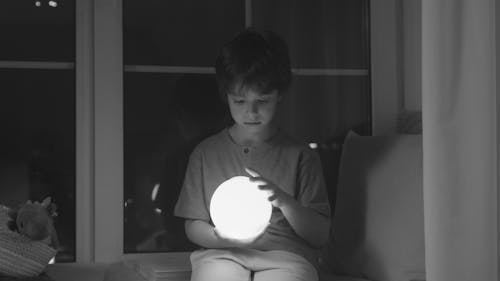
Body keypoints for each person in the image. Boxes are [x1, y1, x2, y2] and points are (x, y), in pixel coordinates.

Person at [174, 28, 331, 281]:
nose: (252, 112)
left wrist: (283, 201)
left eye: (263, 100)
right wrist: (217, 238)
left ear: (279, 95)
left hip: (286, 257)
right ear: (226, 97)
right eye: (240, 101)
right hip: (222, 255)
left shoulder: (300, 156)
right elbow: (192, 225)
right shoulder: (206, 154)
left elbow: (320, 234)